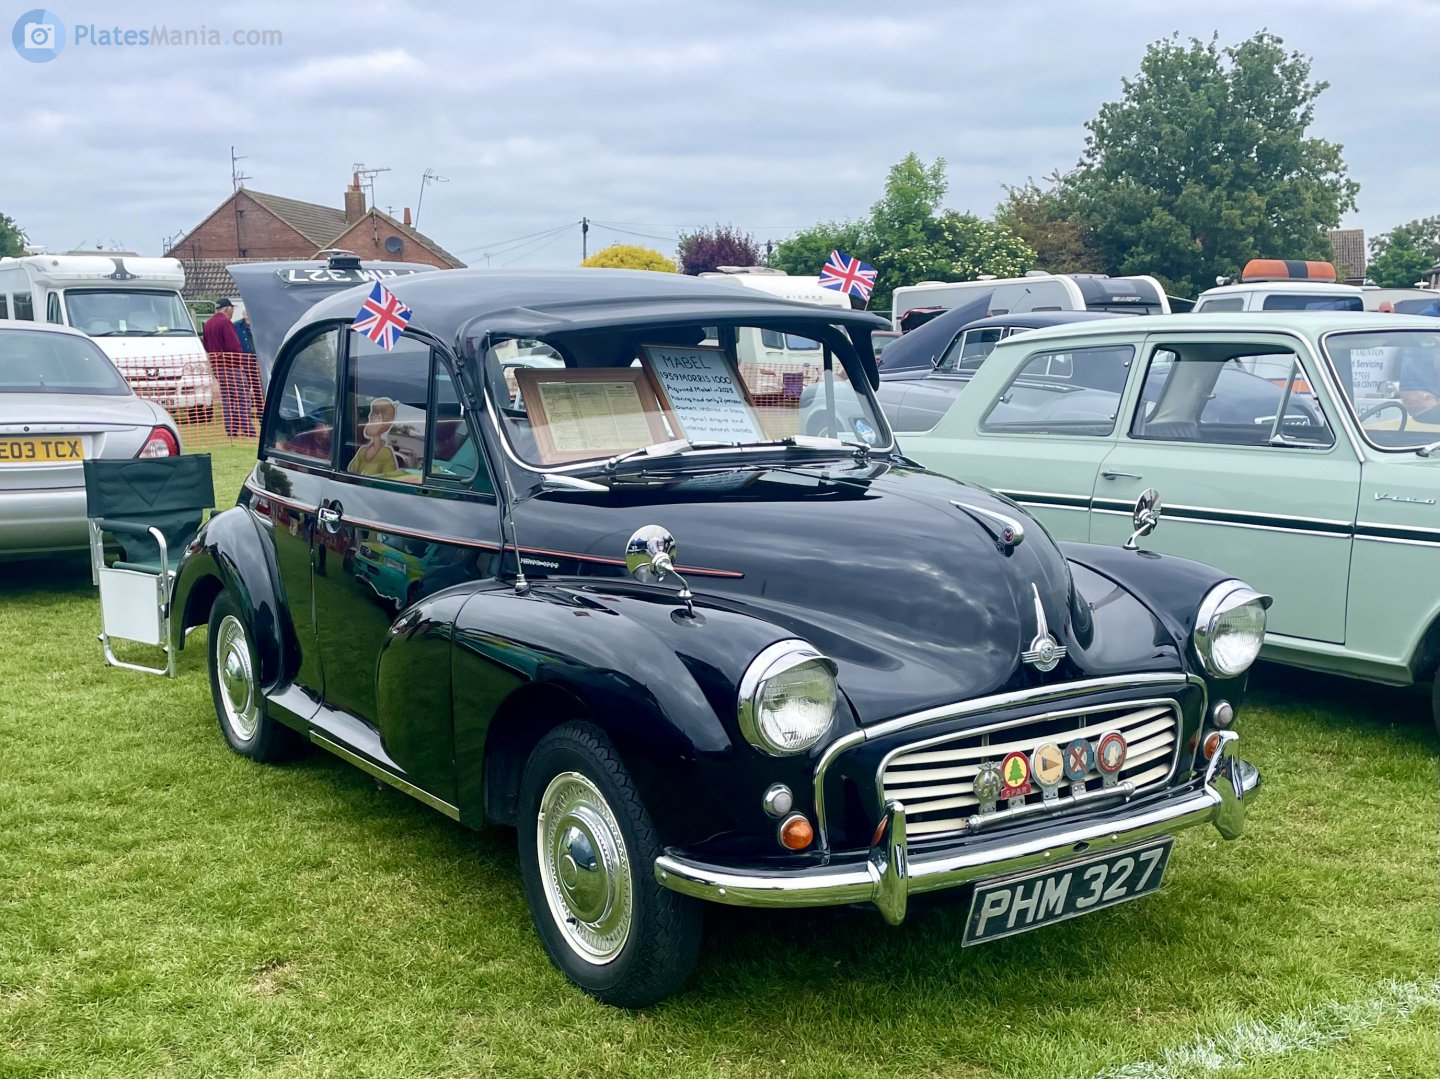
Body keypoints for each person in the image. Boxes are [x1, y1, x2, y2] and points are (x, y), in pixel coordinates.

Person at [202, 299, 257, 438]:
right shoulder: (225, 322)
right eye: (232, 309)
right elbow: (234, 346)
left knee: (228, 398)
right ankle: (247, 429)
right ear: (227, 309)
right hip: (232, 366)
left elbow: (207, 346)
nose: (232, 312)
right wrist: (241, 362)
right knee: (244, 397)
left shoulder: (208, 324)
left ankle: (231, 430)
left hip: (218, 367)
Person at [347, 397, 401, 476]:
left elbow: (390, 479)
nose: (370, 417)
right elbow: (349, 472)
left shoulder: (386, 453)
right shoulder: (363, 450)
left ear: (384, 423)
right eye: (372, 414)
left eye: (375, 416)